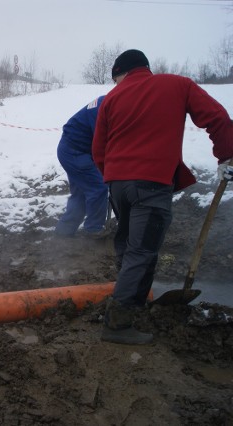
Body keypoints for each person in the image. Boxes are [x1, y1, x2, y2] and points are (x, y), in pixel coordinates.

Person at [92, 49, 233, 345]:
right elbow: (218, 117)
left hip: (119, 184)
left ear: (123, 72)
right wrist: (227, 156)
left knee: (129, 243)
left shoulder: (112, 99)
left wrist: (115, 174)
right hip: (151, 184)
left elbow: (99, 150)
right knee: (142, 250)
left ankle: (134, 300)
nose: (117, 84)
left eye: (116, 78)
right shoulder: (178, 84)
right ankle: (117, 324)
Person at [55, 96, 109, 239]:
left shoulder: (106, 101)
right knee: (98, 188)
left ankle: (63, 232)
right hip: (76, 152)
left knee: (81, 192)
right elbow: (103, 141)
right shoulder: (107, 107)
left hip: (70, 148)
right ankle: (94, 230)